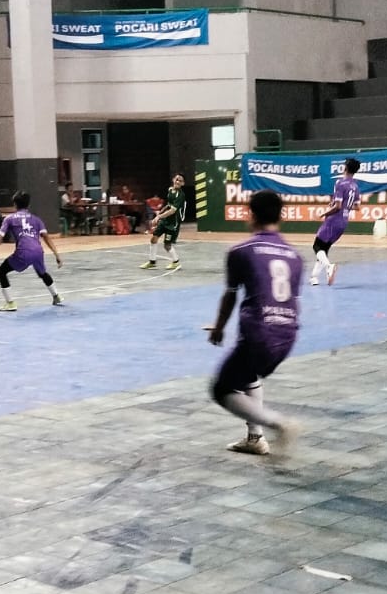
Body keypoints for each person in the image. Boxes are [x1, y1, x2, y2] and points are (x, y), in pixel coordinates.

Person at [205, 189, 303, 457]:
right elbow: (294, 301)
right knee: (249, 374)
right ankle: (255, 438)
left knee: (221, 388)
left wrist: (218, 327)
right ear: (281, 216)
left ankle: (278, 424)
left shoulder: (241, 251)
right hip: (287, 335)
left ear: (251, 215)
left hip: (259, 332)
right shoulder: (295, 256)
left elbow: (230, 294)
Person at [0, 191, 63, 310]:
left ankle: (10, 303)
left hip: (23, 252)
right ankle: (56, 296)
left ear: (14, 204)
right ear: (28, 205)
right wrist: (57, 255)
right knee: (42, 273)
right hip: (38, 251)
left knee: (2, 271)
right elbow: (46, 237)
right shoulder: (36, 219)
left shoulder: (9, 219)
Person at [311, 157, 360, 286]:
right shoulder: (355, 186)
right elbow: (357, 206)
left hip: (334, 219)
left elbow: (337, 207)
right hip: (343, 221)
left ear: (345, 168)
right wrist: (343, 206)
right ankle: (314, 278)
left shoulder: (340, 183)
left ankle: (329, 267)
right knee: (324, 248)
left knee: (317, 246)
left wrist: (324, 213)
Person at [140, 174, 185, 270]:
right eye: (177, 179)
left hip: (173, 223)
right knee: (153, 239)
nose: (178, 181)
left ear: (183, 184)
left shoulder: (180, 195)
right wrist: (159, 213)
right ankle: (152, 262)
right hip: (165, 221)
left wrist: (159, 217)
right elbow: (168, 205)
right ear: (173, 180)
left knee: (167, 245)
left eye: (180, 181)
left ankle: (176, 262)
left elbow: (172, 210)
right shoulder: (170, 190)